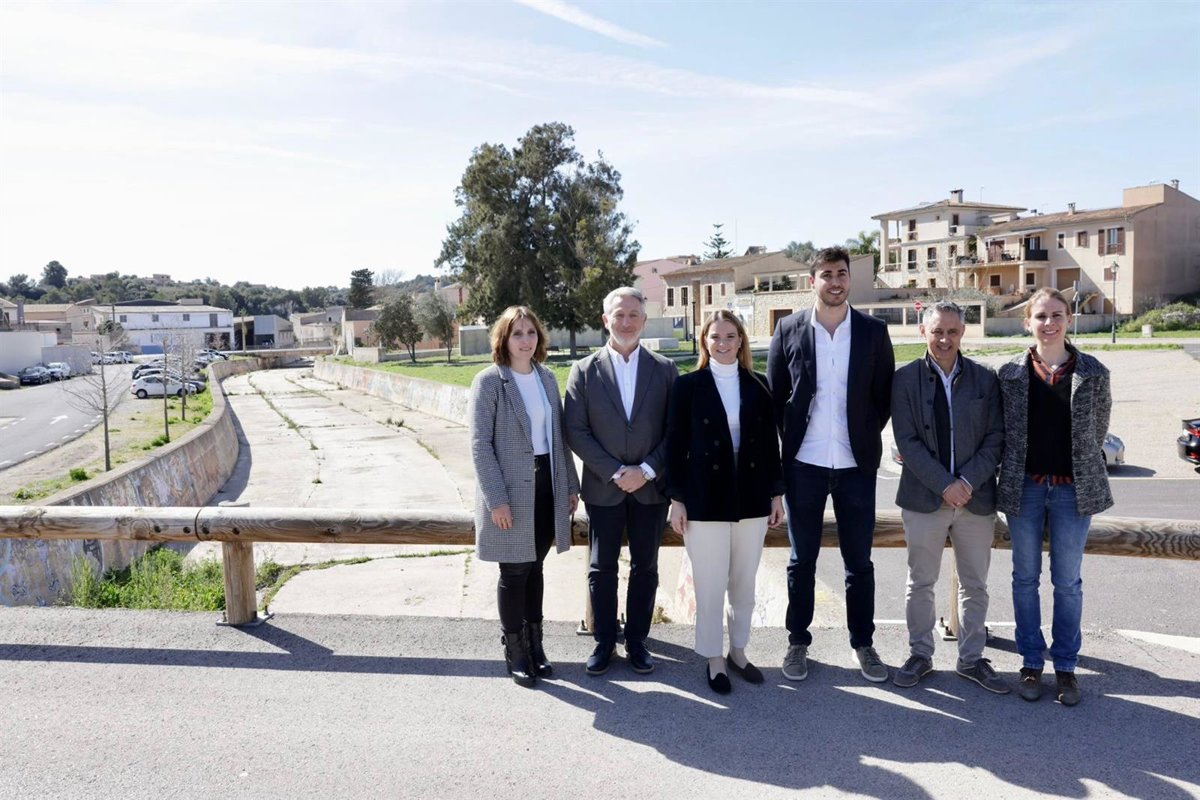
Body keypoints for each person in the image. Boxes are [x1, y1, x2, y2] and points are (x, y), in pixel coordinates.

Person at [767, 245, 895, 683]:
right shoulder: (788, 328)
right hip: (804, 463)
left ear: (849, 279)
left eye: (841, 274)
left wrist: (862, 433)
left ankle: (864, 644)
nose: (835, 282)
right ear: (813, 281)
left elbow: (883, 398)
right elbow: (775, 397)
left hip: (856, 464)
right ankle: (797, 642)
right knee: (802, 560)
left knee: (859, 561)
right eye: (827, 274)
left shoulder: (874, 332)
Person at [997, 287, 1112, 707]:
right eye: (1041, 316)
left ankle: (1065, 665)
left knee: (1067, 583)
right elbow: (1002, 431)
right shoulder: (1009, 373)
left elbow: (1097, 433)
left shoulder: (1094, 372)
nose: (1049, 323)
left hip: (1072, 491)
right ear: (1028, 321)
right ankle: (1031, 661)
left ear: (1069, 319)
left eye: (1057, 315)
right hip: (1025, 487)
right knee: (1024, 579)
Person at [891, 301, 1008, 694]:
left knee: (975, 585)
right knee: (920, 582)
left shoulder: (984, 379)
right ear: (923, 331)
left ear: (963, 333)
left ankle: (971, 659)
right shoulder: (904, 379)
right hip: (924, 497)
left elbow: (995, 438)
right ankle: (920, 655)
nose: (945, 339)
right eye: (937, 331)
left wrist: (967, 482)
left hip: (975, 499)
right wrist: (945, 484)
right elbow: (906, 440)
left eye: (952, 332)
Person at [666, 310, 785, 694]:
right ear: (705, 341)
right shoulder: (687, 387)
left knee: (744, 582)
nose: (723, 343)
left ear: (741, 341)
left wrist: (777, 494)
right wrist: (677, 499)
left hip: (752, 496)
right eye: (715, 336)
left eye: (730, 336)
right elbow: (674, 447)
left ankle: (738, 651)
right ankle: (713, 658)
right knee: (710, 584)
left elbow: (769, 446)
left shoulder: (758, 384)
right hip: (704, 499)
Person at [565, 287, 678, 676]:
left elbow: (674, 431)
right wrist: (616, 472)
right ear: (605, 320)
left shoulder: (665, 370)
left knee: (646, 566)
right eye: (619, 315)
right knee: (602, 567)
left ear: (644, 321)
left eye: (633, 315)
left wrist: (645, 470)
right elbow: (576, 431)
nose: (626, 322)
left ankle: (637, 641)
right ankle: (603, 642)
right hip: (604, 488)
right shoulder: (584, 371)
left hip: (651, 488)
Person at [469, 306, 579, 688]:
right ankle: (516, 651)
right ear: (504, 339)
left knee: (535, 568)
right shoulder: (489, 382)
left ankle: (536, 647)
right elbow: (480, 445)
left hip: (547, 484)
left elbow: (559, 437)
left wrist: (571, 485)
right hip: (510, 491)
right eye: (517, 333)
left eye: (531, 332)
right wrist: (496, 499)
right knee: (514, 571)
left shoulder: (546, 377)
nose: (525, 340)